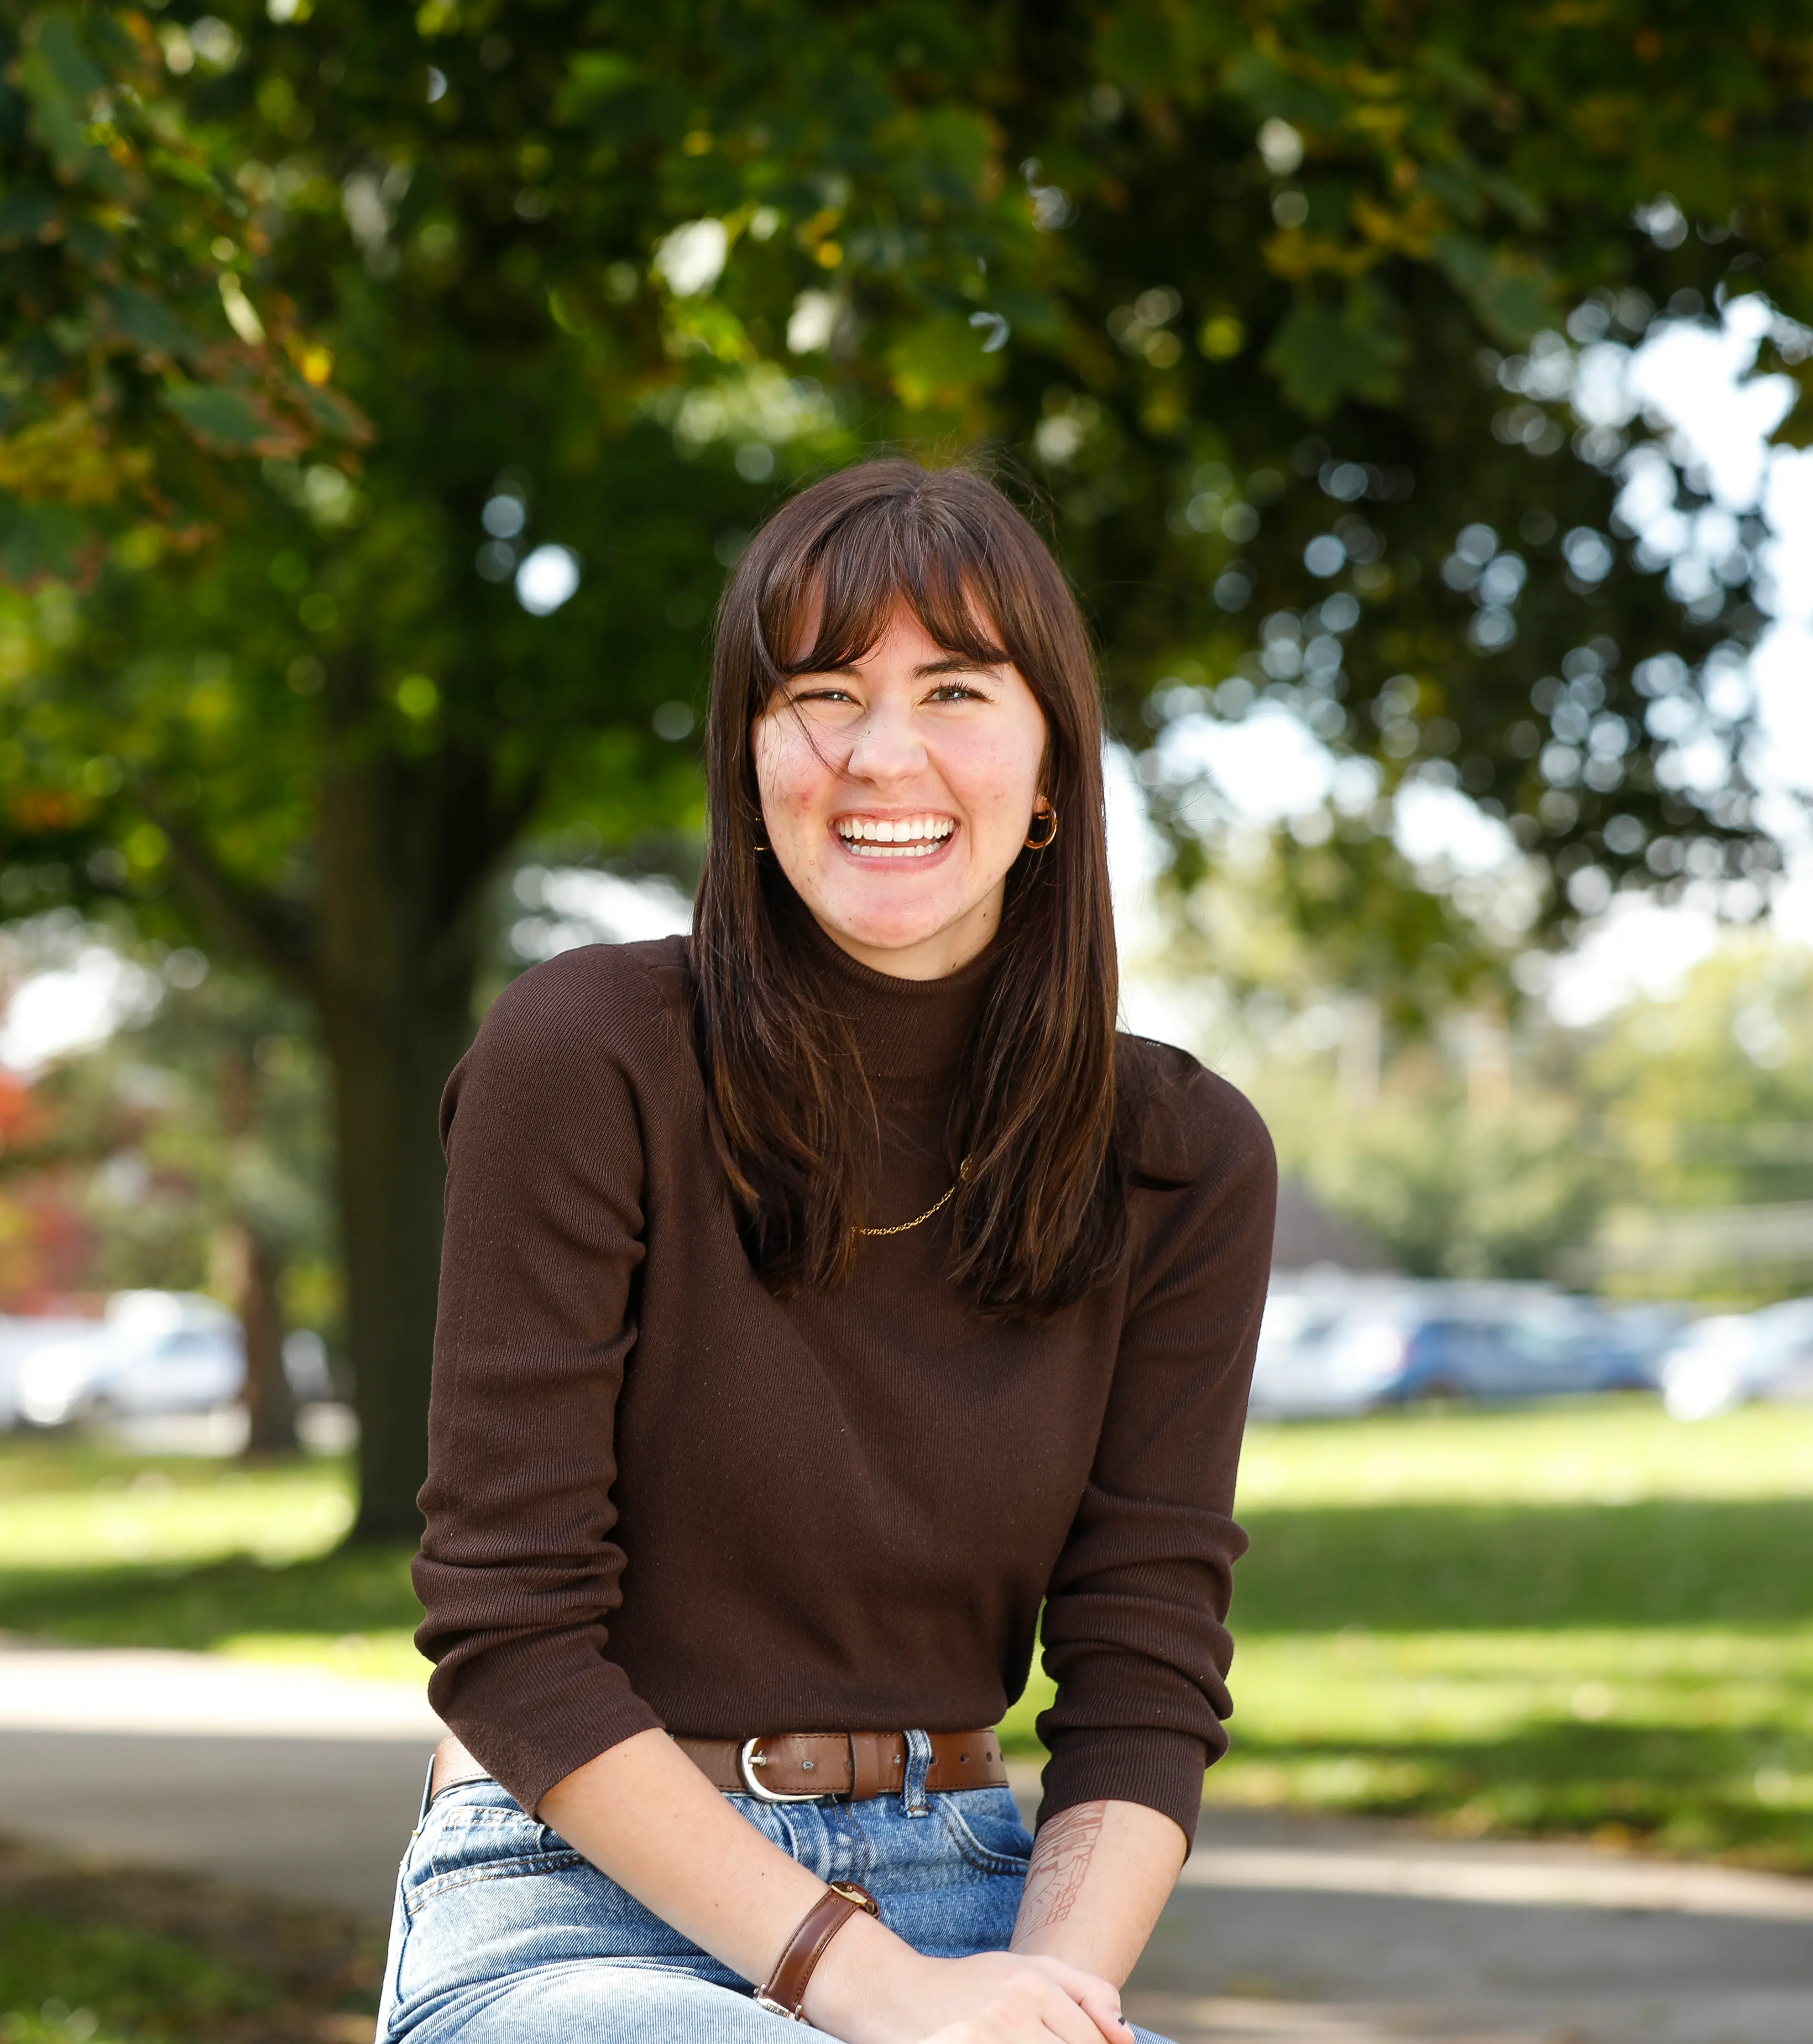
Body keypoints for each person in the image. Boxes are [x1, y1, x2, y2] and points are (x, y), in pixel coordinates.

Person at [388, 460, 1276, 2044]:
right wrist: (873, 1998)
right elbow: (508, 1637)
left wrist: (1047, 2001)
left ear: (1056, 770)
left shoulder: (1181, 1158)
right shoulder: (585, 1055)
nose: (884, 753)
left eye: (954, 687)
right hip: (570, 1912)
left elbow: (1147, 1667)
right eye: (820, 693)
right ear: (748, 759)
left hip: (979, 1889)